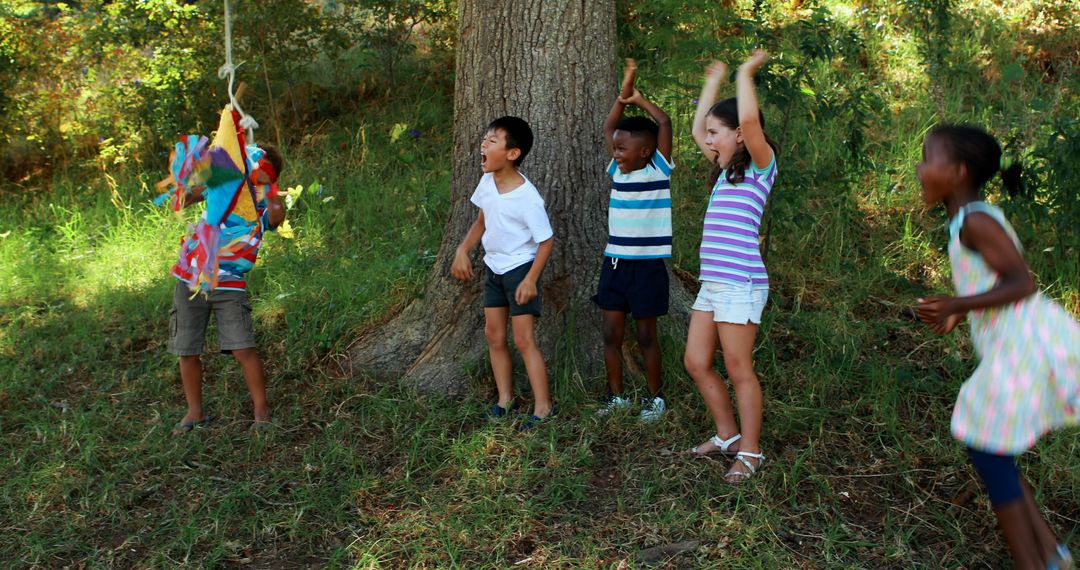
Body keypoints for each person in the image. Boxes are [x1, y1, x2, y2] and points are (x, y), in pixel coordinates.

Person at [915, 124, 1078, 569]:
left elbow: (1021, 282)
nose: (919, 168)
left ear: (958, 172)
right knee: (991, 447)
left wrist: (957, 301)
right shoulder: (966, 220)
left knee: (986, 444)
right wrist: (959, 311)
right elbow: (992, 283)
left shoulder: (976, 220)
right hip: (1019, 341)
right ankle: (1051, 555)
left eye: (928, 158)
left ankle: (1035, 561)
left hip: (1027, 342)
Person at [683, 50, 779, 483]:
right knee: (696, 361)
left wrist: (743, 74)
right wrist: (713, 79)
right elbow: (694, 128)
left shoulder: (761, 168)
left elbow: (752, 123)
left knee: (739, 368)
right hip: (713, 284)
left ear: (739, 135)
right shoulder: (724, 172)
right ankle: (728, 436)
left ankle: (752, 451)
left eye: (716, 134)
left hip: (741, 283)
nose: (708, 140)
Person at [166, 108, 285, 435]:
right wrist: (193, 171)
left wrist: (269, 188)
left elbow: (276, 217)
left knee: (243, 347)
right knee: (187, 348)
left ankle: (261, 412)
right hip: (192, 274)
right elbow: (183, 200)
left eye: (262, 172)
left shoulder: (262, 205)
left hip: (229, 281)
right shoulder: (223, 188)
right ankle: (194, 412)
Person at [451, 116, 556, 431]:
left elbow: (547, 241)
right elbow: (482, 221)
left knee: (524, 339)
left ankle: (543, 407)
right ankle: (505, 399)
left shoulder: (528, 198)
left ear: (512, 153)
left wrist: (530, 279)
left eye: (492, 140)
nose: (484, 144)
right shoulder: (487, 181)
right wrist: (462, 250)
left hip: (520, 268)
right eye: (485, 139)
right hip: (494, 267)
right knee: (493, 335)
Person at [593, 58, 674, 422]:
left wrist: (639, 100)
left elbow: (664, 122)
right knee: (611, 332)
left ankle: (655, 399)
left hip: (647, 266)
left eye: (623, 149)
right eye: (615, 148)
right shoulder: (618, 170)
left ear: (645, 152)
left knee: (645, 335)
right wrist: (623, 94)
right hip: (615, 263)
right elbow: (611, 126)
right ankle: (616, 397)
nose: (616, 153)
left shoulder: (658, 168)